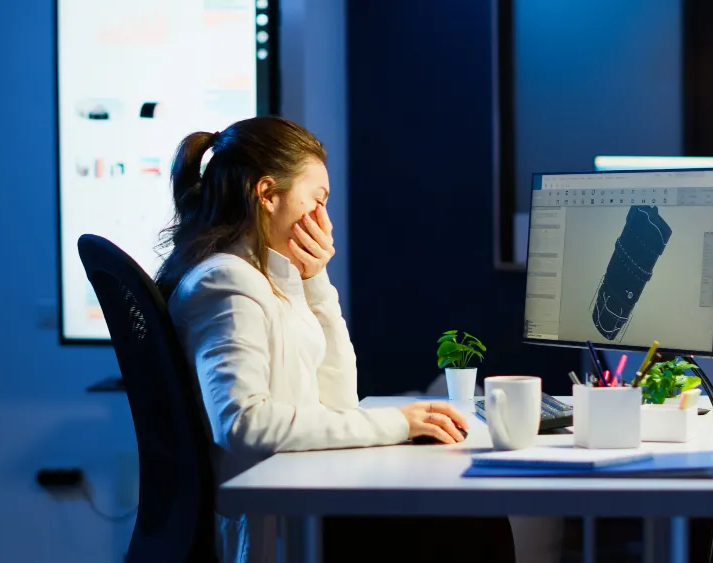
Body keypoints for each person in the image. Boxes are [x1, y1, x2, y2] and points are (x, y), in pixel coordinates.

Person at [156, 116, 513, 563]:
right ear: (267, 195)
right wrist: (399, 423)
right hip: (278, 525)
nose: (324, 221)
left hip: (295, 501)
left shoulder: (267, 280)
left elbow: (341, 399)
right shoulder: (227, 282)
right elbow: (242, 423)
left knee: (475, 518)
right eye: (317, 201)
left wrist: (316, 280)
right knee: (475, 525)